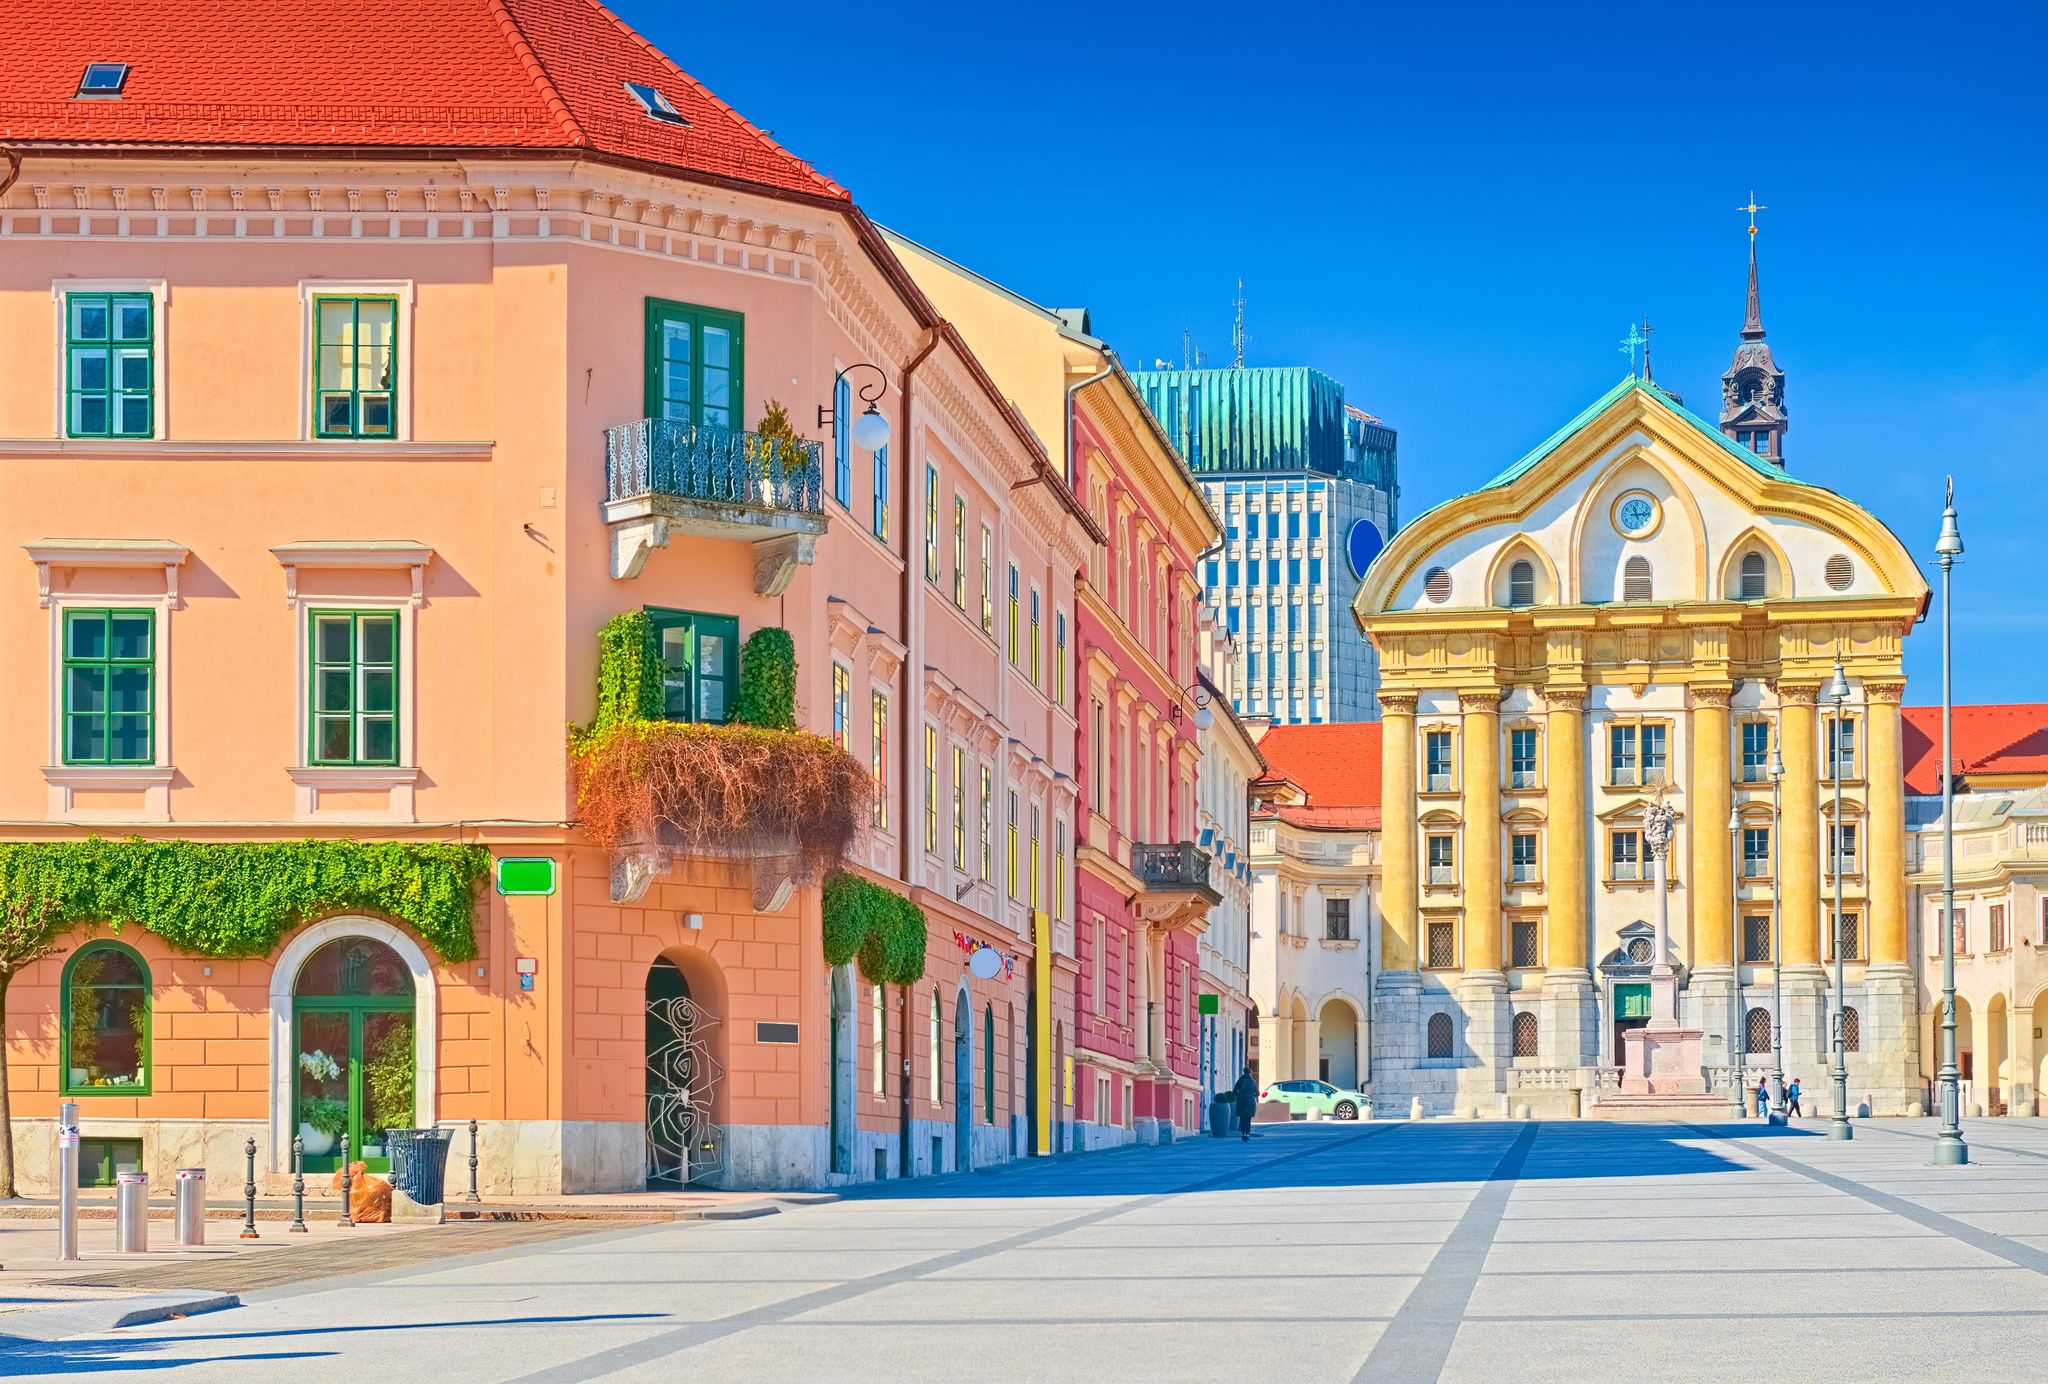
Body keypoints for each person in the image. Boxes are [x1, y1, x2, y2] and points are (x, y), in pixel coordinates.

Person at [1231, 1067, 1259, 1142]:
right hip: (1250, 1102)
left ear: (1244, 1072)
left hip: (1241, 1101)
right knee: (1248, 1119)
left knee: (1242, 1118)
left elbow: (1234, 1091)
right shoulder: (1253, 1081)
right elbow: (1257, 1093)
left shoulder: (1240, 1081)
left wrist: (1239, 1095)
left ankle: (1243, 1133)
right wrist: (1253, 1095)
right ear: (1250, 1073)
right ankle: (1247, 1134)